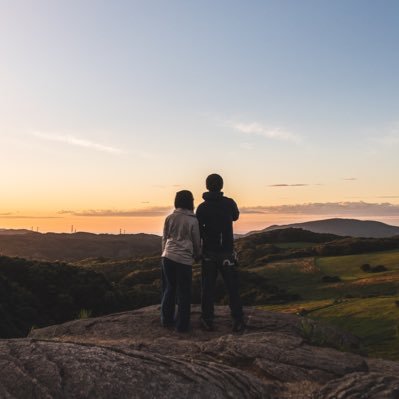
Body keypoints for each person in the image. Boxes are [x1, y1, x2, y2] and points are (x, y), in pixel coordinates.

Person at [196, 173, 245, 332]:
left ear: (207, 186)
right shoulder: (229, 203)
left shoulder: (202, 207)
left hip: (209, 252)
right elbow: (236, 217)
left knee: (207, 288)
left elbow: (198, 229)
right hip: (227, 252)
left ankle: (207, 319)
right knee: (232, 287)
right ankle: (237, 320)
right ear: (221, 185)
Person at [161, 190, 201, 332]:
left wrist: (163, 254)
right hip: (183, 260)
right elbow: (196, 241)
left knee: (169, 289)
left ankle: (166, 321)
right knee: (184, 292)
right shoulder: (193, 220)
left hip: (167, 256)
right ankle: (182, 325)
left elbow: (165, 238)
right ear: (191, 201)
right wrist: (197, 255)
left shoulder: (170, 217)